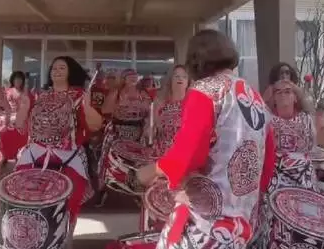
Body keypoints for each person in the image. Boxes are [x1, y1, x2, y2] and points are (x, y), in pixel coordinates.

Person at [136, 30, 276, 249]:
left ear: (195, 59)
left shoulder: (205, 92)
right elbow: (267, 161)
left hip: (204, 224)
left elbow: (188, 153)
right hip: (241, 226)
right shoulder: (254, 96)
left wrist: (152, 170)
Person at [14, 56, 104, 248]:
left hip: (69, 156)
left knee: (67, 205)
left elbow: (96, 125)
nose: (56, 71)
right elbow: (20, 125)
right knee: (21, 198)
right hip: (34, 154)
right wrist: (23, 107)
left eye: (62, 67)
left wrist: (87, 106)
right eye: (53, 68)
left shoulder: (80, 95)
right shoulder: (37, 95)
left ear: (70, 71)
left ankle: (64, 241)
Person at [97, 68, 152, 205]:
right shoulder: (117, 92)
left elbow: (149, 112)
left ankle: (138, 193)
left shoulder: (143, 93)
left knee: (137, 164)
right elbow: (105, 110)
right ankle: (102, 191)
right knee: (108, 162)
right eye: (129, 76)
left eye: (134, 76)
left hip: (137, 132)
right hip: (118, 130)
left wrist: (147, 128)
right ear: (123, 79)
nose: (132, 79)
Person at [150, 65, 189, 156]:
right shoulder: (160, 100)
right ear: (170, 80)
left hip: (184, 153)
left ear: (188, 81)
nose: (180, 79)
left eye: (184, 77)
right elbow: (152, 126)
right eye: (176, 76)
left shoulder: (194, 102)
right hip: (162, 152)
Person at [0, 71, 30, 161]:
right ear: (13, 80)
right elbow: (1, 106)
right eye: (16, 78)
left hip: (22, 120)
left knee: (21, 142)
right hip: (9, 120)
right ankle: (4, 158)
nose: (18, 81)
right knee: (7, 141)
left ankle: (18, 159)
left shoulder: (26, 92)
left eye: (20, 79)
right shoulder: (7, 91)